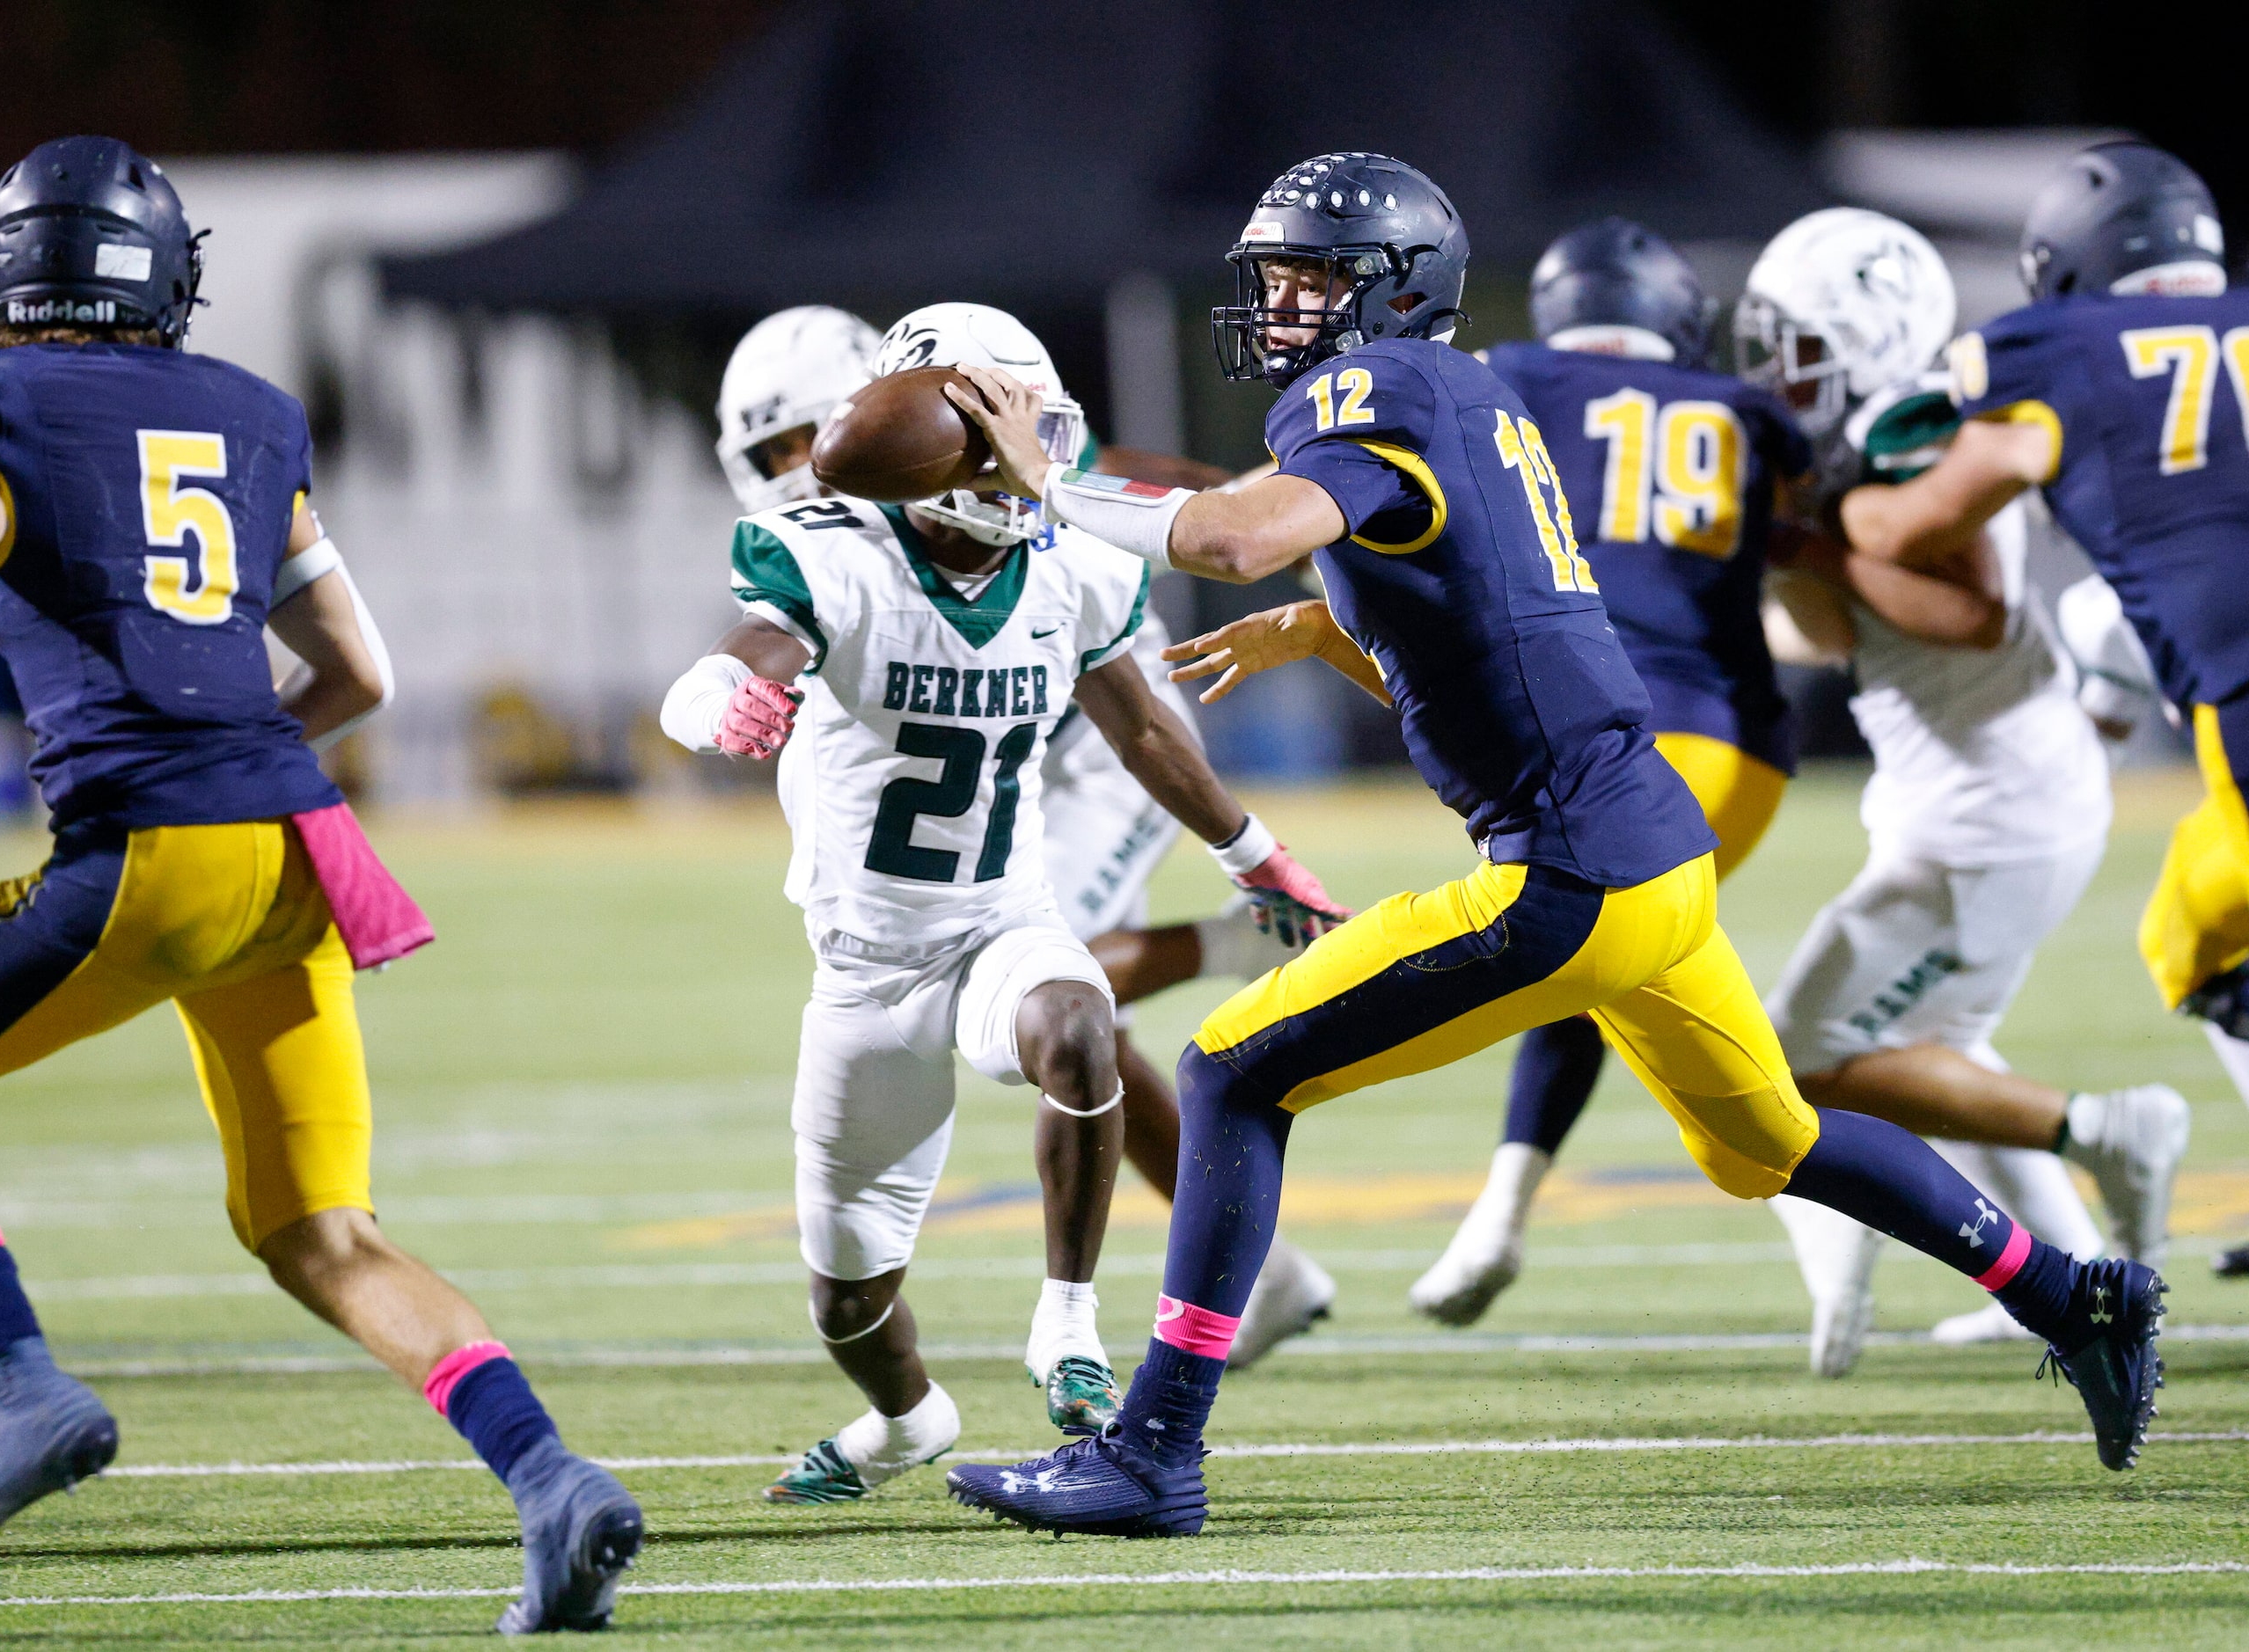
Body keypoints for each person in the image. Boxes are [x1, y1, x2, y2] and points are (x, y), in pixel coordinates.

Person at [937, 151, 2166, 1538]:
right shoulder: (1468, 391)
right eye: (1274, 274)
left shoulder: (1377, 388)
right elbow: (1477, 638)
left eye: (1309, 276)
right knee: (1772, 1139)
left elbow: (1225, 537)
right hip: (1655, 850)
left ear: (1388, 291)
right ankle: (2081, 1296)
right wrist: (1324, 629)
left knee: (1229, 1071)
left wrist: (1048, 478)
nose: (1280, 302)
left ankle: (1154, 1448)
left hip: (1566, 871)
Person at [0, 138, 639, 1630]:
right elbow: (359, 673)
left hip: (151, 851)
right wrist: (233, 754)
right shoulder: (249, 411)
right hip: (302, 847)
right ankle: (552, 1476)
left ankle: (20, 1390)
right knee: (323, 1232)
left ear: (8, 270)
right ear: (166, 271)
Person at [662, 302, 1345, 1505]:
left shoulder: (1074, 556)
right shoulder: (834, 552)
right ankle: (909, 1415)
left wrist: (1253, 851)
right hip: (870, 967)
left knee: (1073, 1019)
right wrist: (710, 697)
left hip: (999, 910)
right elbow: (743, 651)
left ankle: (1068, 1324)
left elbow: (1136, 717)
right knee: (848, 1300)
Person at [1734, 208, 2189, 1374]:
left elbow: (1976, 607)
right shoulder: (1858, 440)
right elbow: (1832, 635)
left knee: (1795, 1066)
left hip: (1991, 808)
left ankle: (2102, 1128)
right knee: (1945, 1045)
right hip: (1989, 791)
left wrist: (1811, 546)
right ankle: (2071, 1267)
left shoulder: (1913, 428)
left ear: (1869, 338)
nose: (1774, 370)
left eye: (1799, 346)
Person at [1842, 141, 2249, 1280]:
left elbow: (1911, 526)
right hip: (2227, 718)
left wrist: (1832, 516)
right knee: (2195, 924)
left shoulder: (2056, 348)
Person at [1408, 217, 1812, 1325]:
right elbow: (1810, 558)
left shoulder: (1501, 378)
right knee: (1619, 968)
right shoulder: (1748, 412)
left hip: (1601, 730)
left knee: (1598, 955)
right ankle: (1808, 1188)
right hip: (1730, 737)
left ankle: (1511, 1213)